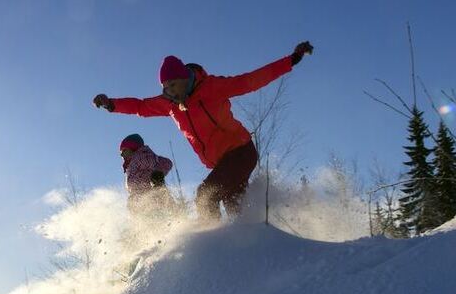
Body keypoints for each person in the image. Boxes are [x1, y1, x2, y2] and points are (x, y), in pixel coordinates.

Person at [93, 42, 313, 221]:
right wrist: (111, 104)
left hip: (241, 152)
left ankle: (212, 251)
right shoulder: (170, 103)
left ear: (184, 79)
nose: (169, 92)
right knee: (235, 208)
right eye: (165, 88)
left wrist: (291, 60)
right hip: (222, 163)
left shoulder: (211, 88)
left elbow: (250, 81)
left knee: (204, 197)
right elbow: (140, 106)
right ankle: (256, 246)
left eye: (173, 85)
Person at [119, 133, 176, 220]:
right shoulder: (130, 165)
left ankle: (166, 218)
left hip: (148, 194)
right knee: (141, 218)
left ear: (132, 148)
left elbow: (163, 162)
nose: (121, 154)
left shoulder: (140, 157)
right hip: (138, 198)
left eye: (124, 150)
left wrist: (157, 175)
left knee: (153, 215)